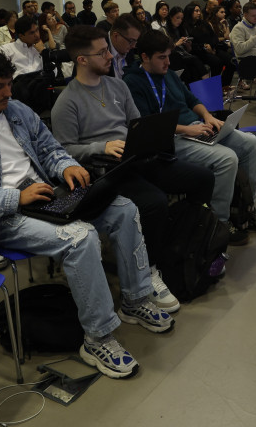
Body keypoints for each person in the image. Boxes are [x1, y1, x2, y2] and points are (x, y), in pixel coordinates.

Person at [0, 49, 173, 379]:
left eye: (9, 84)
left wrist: (68, 167)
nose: (7, 93)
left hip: (45, 195)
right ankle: (97, 337)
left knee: (124, 209)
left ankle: (135, 299)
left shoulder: (18, 111)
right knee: (80, 237)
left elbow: (51, 150)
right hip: (2, 215)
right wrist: (15, 197)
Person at [51, 26, 216, 312]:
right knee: (154, 202)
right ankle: (149, 269)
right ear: (82, 60)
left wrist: (151, 137)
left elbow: (138, 122)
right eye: (101, 52)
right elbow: (64, 150)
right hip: (108, 169)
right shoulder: (67, 102)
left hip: (139, 156)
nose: (109, 56)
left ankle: (187, 243)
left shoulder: (117, 85)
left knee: (202, 178)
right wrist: (101, 147)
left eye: (107, 49)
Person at [123, 30, 256, 241]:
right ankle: (219, 224)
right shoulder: (133, 82)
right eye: (161, 58)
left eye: (169, 56)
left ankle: (246, 210)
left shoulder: (169, 74)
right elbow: (148, 123)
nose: (167, 62)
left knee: (250, 143)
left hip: (196, 128)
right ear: (144, 57)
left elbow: (192, 100)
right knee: (227, 159)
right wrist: (186, 129)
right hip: (171, 139)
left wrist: (208, 117)